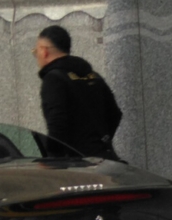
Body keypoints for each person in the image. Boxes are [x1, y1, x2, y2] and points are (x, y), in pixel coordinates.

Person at [33, 25, 123, 158]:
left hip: (79, 164)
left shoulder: (53, 79)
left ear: (44, 51)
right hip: (104, 157)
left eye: (36, 52)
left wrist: (53, 158)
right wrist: (99, 141)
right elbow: (115, 113)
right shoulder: (93, 75)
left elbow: (57, 125)